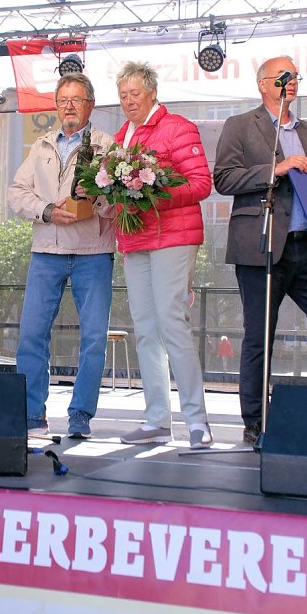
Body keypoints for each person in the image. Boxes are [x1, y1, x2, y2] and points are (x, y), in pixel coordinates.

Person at [213, 56, 307, 444]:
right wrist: (275, 170)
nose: (291, 82)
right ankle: (255, 421)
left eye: (296, 76)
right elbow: (224, 178)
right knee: (259, 336)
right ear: (263, 84)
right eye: (284, 77)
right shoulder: (240, 125)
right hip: (262, 245)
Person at [8, 72, 115, 439]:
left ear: (91, 105)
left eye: (77, 100)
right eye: (64, 100)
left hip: (94, 252)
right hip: (46, 251)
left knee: (95, 337)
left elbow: (120, 205)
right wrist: (46, 210)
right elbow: (16, 194)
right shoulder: (39, 146)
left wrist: (97, 197)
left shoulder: (108, 146)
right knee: (32, 335)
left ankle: (81, 415)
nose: (69, 107)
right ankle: (31, 415)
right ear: (56, 105)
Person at [114, 61, 213, 450]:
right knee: (145, 328)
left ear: (152, 92)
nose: (128, 102)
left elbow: (201, 183)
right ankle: (157, 420)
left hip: (174, 236)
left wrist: (151, 193)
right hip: (136, 240)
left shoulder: (179, 127)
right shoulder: (123, 135)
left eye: (134, 94)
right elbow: (122, 188)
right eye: (122, 96)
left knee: (172, 322)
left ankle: (197, 420)